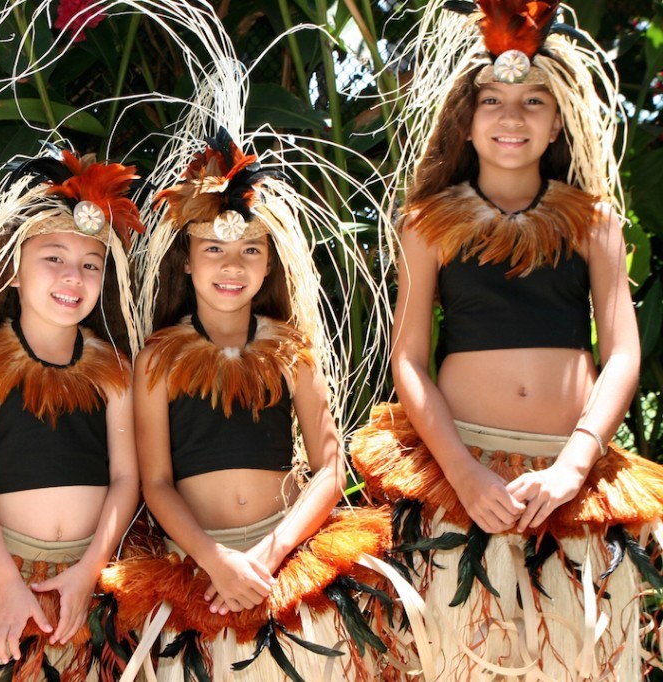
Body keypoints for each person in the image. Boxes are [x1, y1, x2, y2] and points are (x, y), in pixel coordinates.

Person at [350, 1, 663, 678]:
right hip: (464, 469)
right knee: (465, 656)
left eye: (532, 101)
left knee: (577, 655)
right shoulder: (427, 223)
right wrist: (462, 471)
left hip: (569, 476)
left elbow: (624, 354)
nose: (511, 117)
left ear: (557, 121)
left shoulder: (595, 222)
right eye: (492, 100)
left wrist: (578, 462)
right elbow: (408, 359)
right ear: (467, 117)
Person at [101, 126, 398, 682]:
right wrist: (216, 560)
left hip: (284, 556)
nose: (231, 266)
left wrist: (271, 551)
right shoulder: (156, 360)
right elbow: (156, 483)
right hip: (194, 564)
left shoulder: (292, 351)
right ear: (186, 262)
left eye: (249, 251)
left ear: (268, 267)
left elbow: (330, 466)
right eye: (213, 249)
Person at [0, 146, 142, 680]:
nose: (74, 276)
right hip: (6, 570)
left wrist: (89, 572)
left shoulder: (115, 369)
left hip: (93, 573)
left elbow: (125, 478)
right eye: (54, 258)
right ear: (14, 272)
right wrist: (5, 584)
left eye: (91, 264)